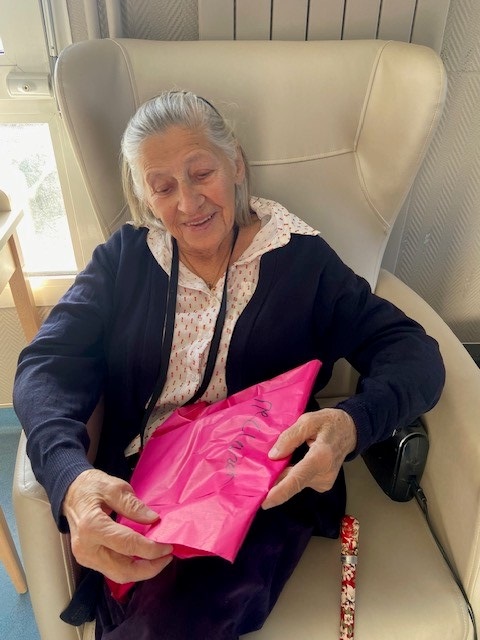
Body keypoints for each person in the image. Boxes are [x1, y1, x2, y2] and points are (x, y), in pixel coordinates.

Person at [13, 90, 445, 639]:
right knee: (128, 593)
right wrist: (69, 476)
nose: (188, 203)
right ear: (145, 196)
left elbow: (413, 351)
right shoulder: (125, 260)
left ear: (235, 163)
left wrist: (352, 423)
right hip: (142, 482)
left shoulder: (301, 261)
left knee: (170, 622)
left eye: (202, 173)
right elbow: (47, 364)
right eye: (163, 187)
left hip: (258, 491)